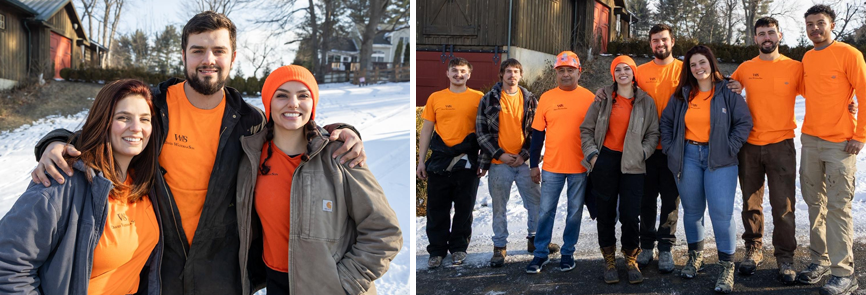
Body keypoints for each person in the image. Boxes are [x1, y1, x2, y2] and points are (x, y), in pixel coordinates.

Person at [29, 11, 365, 294]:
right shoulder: (153, 107)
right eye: (198, 50)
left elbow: (296, 129)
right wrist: (55, 143)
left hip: (222, 270)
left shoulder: (249, 122)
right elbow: (102, 131)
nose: (208, 60)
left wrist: (343, 131)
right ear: (184, 55)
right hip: (158, 263)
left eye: (218, 50)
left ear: (233, 57)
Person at [236, 65, 401, 295]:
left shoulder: (340, 154)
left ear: (313, 103)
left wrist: (345, 282)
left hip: (329, 288)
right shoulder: (251, 157)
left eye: (303, 95)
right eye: (282, 95)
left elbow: (385, 231)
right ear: (268, 103)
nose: (293, 103)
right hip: (275, 283)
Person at [0, 79, 162, 294]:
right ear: (103, 121)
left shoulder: (145, 183)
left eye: (144, 119)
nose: (136, 128)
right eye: (123, 117)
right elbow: (8, 267)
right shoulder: (62, 182)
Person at [659, 45, 752, 293]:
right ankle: (695, 257)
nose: (698, 68)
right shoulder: (682, 94)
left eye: (702, 62)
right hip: (688, 156)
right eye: (693, 65)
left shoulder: (727, 91)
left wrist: (729, 146)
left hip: (720, 159)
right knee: (692, 211)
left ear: (711, 63)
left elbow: (744, 122)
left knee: (722, 213)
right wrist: (670, 148)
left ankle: (726, 267)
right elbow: (666, 122)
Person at [724, 17, 801, 284]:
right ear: (755, 38)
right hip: (749, 146)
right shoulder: (746, 68)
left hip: (781, 145)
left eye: (771, 32)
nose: (766, 37)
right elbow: (725, 89)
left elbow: (819, 93)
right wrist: (734, 87)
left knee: (783, 205)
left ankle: (785, 257)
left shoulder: (795, 67)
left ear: (779, 35)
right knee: (750, 203)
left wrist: (848, 104)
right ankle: (753, 249)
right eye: (761, 33)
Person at [796, 5, 866, 295]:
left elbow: (864, 92)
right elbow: (810, 91)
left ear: (832, 25)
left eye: (820, 23)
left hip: (841, 143)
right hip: (810, 140)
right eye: (810, 24)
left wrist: (860, 135)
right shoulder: (808, 57)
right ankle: (821, 261)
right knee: (815, 203)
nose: (815, 28)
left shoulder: (849, 54)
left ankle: (844, 273)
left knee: (838, 207)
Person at [581, 55, 659, 284]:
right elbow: (586, 129)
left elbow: (653, 133)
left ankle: (631, 258)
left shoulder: (646, 101)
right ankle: (609, 260)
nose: (622, 73)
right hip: (605, 161)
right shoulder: (603, 98)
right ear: (613, 74)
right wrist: (593, 156)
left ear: (634, 73)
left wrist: (642, 153)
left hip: (633, 163)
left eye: (627, 69)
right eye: (618, 69)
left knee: (630, 215)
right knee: (605, 213)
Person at [476, 58, 558, 268]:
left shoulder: (530, 99)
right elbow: (481, 133)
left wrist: (524, 155)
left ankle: (535, 240)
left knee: (536, 203)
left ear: (521, 75)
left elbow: (537, 131)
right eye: (508, 71)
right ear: (502, 75)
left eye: (515, 71)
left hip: (524, 162)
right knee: (499, 207)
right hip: (499, 162)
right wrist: (500, 154)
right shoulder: (488, 99)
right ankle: (499, 246)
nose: (512, 75)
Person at [525, 51, 595, 274]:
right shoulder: (547, 98)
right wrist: (533, 165)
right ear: (556, 73)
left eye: (570, 70)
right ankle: (540, 253)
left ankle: (568, 252)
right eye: (561, 70)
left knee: (574, 213)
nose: (565, 74)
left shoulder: (590, 98)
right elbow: (537, 135)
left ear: (579, 72)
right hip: (552, 167)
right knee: (546, 212)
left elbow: (598, 133)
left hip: (580, 167)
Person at [417, 57, 484, 269]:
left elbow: (485, 131)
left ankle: (458, 248)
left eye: (463, 71)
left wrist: (484, 160)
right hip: (440, 161)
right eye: (454, 70)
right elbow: (426, 130)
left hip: (468, 161)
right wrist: (421, 161)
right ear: (447, 73)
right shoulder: (435, 98)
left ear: (469, 74)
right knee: (437, 209)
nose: (458, 74)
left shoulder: (479, 98)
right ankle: (436, 251)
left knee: (464, 208)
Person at [635, 24, 682, 273]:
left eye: (664, 39)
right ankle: (645, 245)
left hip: (674, 148)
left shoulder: (684, 70)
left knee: (670, 201)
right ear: (650, 44)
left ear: (672, 41)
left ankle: (665, 248)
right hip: (647, 148)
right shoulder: (641, 72)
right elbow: (621, 90)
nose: (660, 44)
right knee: (646, 199)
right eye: (655, 40)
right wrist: (601, 92)